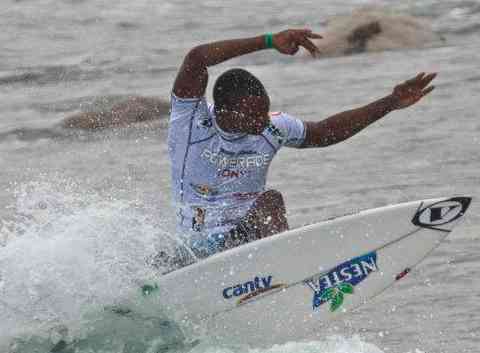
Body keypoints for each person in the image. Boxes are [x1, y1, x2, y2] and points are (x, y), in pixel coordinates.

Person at [168, 28, 436, 260]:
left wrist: (389, 103)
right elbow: (197, 59)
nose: (262, 122)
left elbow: (325, 133)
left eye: (264, 111)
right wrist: (269, 41)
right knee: (268, 203)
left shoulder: (274, 127)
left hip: (248, 242)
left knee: (270, 201)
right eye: (252, 116)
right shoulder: (192, 122)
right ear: (225, 112)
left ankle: (283, 266)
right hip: (199, 248)